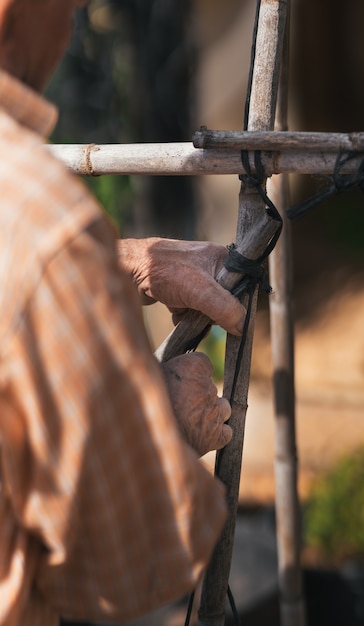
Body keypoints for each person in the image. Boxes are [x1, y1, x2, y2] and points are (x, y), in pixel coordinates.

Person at [0, 1, 246, 625]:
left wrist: (121, 262)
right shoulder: (42, 216)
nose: (74, 16)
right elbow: (120, 565)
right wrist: (166, 416)